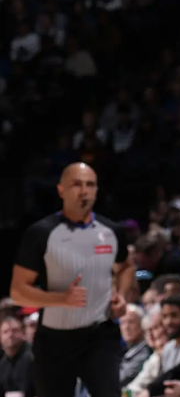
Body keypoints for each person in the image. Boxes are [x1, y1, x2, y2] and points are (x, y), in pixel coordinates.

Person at [10, 162, 135, 397]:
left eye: (90, 185)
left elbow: (126, 266)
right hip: (55, 340)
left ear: (96, 190)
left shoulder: (111, 231)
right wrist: (61, 299)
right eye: (76, 184)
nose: (84, 191)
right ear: (61, 190)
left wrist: (121, 294)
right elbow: (18, 291)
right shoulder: (41, 233)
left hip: (100, 335)